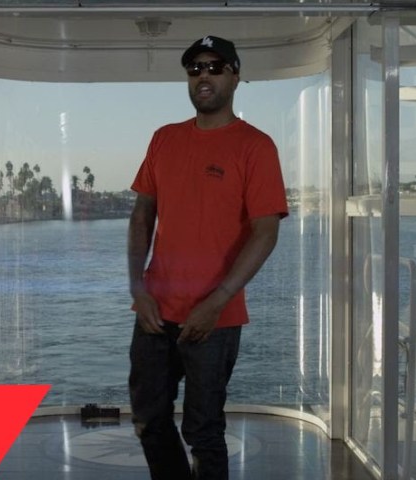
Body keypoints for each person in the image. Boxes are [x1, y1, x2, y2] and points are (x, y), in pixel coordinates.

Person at [127, 35, 288, 479]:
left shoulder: (255, 146)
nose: (204, 76)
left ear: (235, 77)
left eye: (216, 67)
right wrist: (138, 289)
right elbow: (141, 215)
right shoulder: (164, 139)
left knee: (204, 431)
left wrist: (217, 301)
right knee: (148, 420)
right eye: (195, 68)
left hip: (216, 317)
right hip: (155, 311)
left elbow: (266, 233)